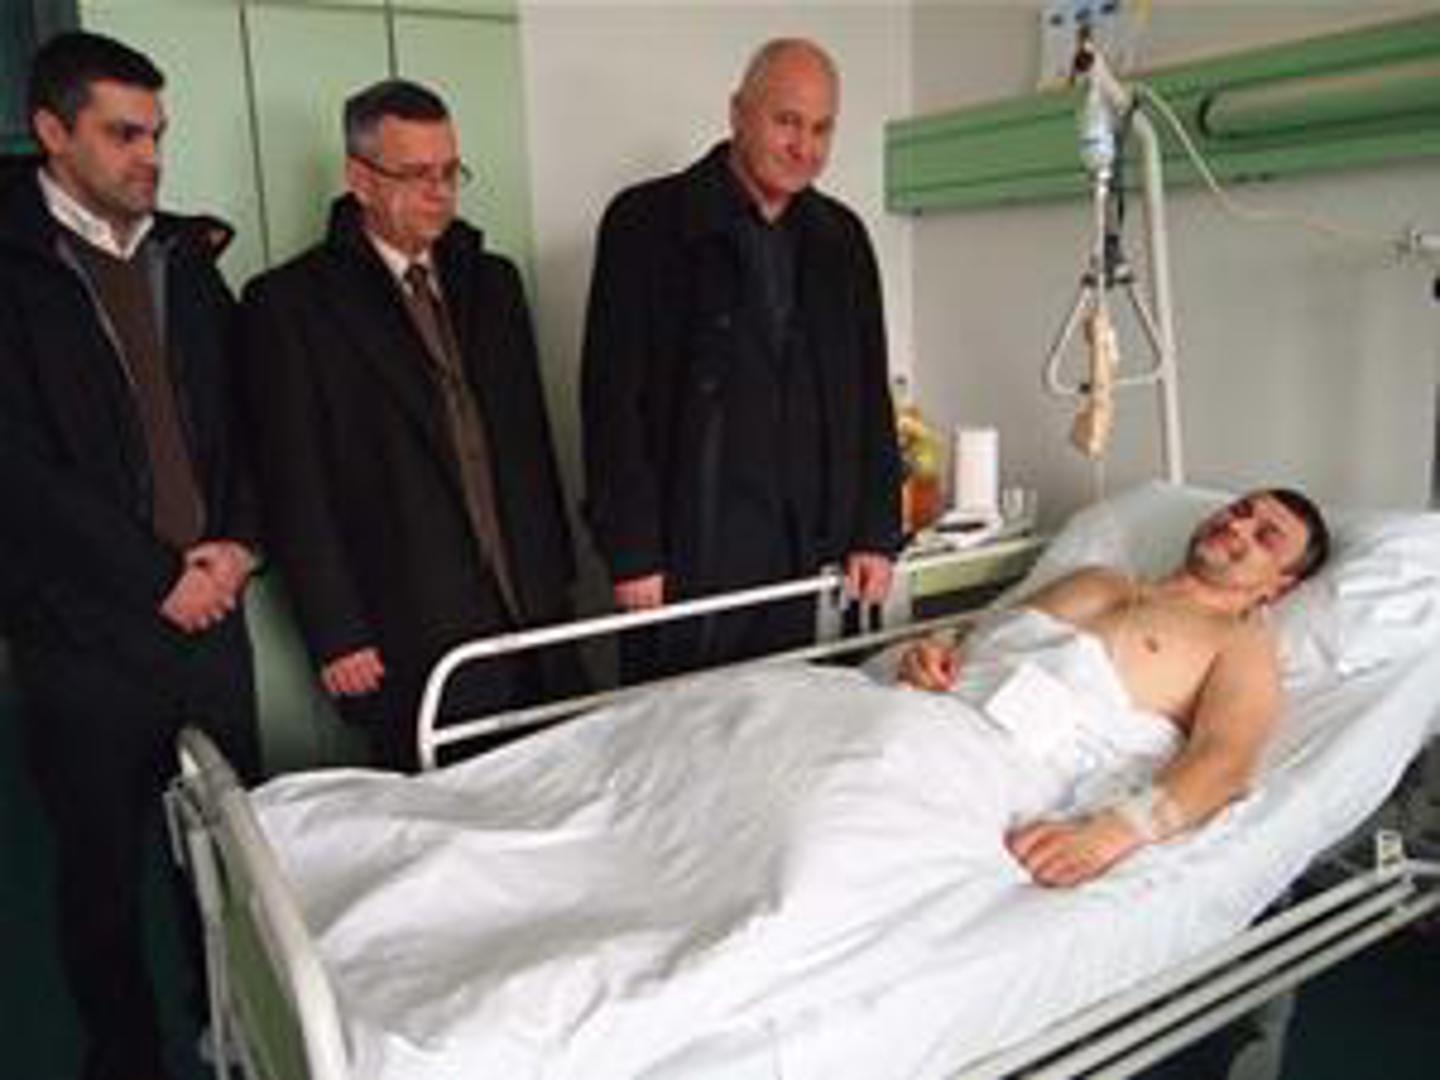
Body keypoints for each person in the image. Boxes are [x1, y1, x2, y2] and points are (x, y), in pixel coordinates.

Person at [0, 31, 261, 1080]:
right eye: (123, 134)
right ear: (52, 132)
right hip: (84, 633)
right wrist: (159, 579)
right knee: (102, 873)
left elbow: (244, 423)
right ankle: (127, 1058)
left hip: (214, 614)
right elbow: (18, 471)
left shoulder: (185, 262)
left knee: (234, 858)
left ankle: (237, 1030)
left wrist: (238, 548)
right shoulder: (14, 271)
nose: (149, 155)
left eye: (157, 133)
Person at [242, 79, 579, 772]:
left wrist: (560, 580)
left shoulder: (494, 282)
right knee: (448, 812)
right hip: (406, 618)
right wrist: (336, 631)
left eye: (451, 171)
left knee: (565, 789)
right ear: (360, 179)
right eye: (417, 174)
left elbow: (531, 445)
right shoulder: (293, 305)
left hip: (531, 605)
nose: (440, 193)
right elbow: (293, 482)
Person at [581, 37, 901, 680]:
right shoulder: (645, 223)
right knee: (680, 725)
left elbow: (870, 393)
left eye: (822, 128)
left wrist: (876, 531)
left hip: (809, 552)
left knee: (803, 718)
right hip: (687, 550)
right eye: (787, 121)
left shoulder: (842, 239)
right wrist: (632, 551)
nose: (804, 146)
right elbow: (610, 399)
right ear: (738, 114)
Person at [897, 488, 1331, 888]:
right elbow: (979, 635)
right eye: (1240, 510)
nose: (1238, 525)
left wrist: (1116, 832)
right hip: (915, 714)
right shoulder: (1096, 579)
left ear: (1281, 585)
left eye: (1265, 536)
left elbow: (1226, 761)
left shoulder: (1238, 642)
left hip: (978, 770)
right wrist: (935, 649)